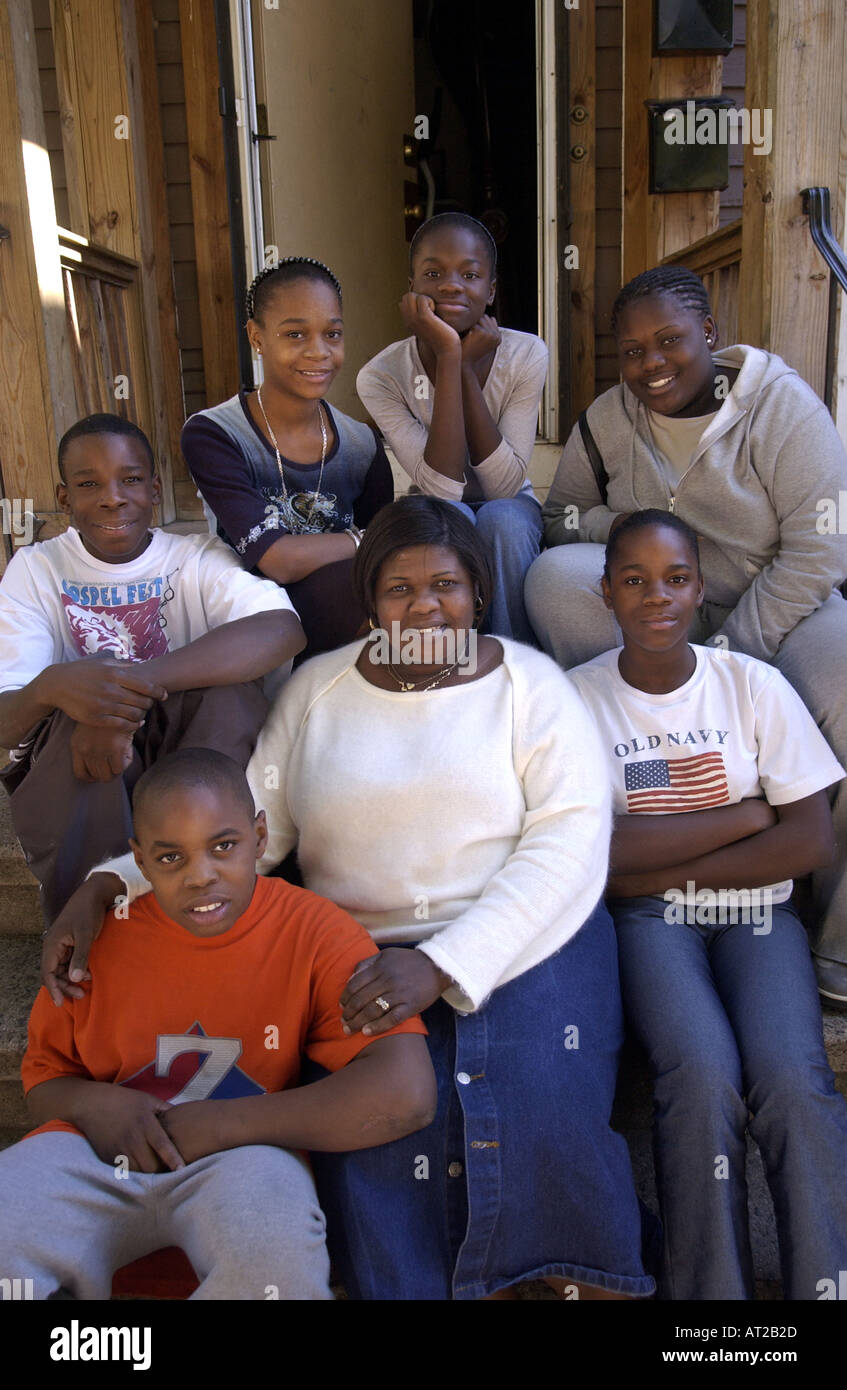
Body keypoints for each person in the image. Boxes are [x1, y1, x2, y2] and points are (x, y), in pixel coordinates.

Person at [46, 497, 654, 1303]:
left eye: (447, 584)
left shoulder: (530, 687)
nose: (426, 605)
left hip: (527, 940)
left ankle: (555, 1283)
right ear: (370, 601)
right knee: (377, 1141)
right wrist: (108, 883)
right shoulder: (316, 690)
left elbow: (569, 846)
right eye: (399, 588)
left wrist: (441, 964)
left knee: (543, 1105)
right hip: (356, 951)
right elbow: (249, 831)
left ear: (477, 591)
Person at [524, 265, 847, 1005]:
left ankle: (829, 932)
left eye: (669, 340)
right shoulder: (608, 418)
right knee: (554, 578)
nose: (650, 364)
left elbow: (821, 547)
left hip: (780, 605)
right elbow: (562, 519)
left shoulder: (779, 409)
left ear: (708, 333)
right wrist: (642, 538)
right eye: (631, 351)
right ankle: (632, 777)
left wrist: (730, 658)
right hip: (662, 602)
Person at [0, 749, 433, 1301]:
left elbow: (407, 1094)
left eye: (223, 847)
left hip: (246, 1155)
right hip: (90, 1149)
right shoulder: (97, 938)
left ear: (259, 835)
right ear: (139, 859)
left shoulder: (313, 930)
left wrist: (221, 1125)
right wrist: (94, 1105)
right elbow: (44, 1079)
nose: (201, 876)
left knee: (274, 1255)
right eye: (171, 858)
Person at [567, 509, 847, 1300]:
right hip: (650, 922)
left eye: (676, 578)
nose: (656, 596)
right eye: (633, 579)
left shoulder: (749, 685)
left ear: (699, 590)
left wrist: (649, 864)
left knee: (793, 1078)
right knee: (698, 1073)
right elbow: (587, 859)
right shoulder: (577, 702)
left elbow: (809, 845)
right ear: (606, 593)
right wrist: (745, 817)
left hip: (757, 917)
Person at [0, 413, 304, 925]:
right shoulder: (36, 568)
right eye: (88, 484)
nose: (112, 497)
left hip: (176, 748)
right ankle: (99, 924)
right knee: (71, 715)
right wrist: (60, 688)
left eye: (131, 479)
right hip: (82, 765)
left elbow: (281, 629)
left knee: (230, 698)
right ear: (64, 495)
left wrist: (118, 695)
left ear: (156, 489)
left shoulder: (194, 556)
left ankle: (203, 895)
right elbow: (7, 720)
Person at [180, 256, 393, 659]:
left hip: (344, 607)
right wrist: (363, 540)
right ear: (256, 338)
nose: (319, 352)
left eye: (332, 334)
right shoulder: (215, 434)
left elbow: (384, 555)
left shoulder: (362, 444)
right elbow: (275, 560)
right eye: (295, 334)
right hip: (250, 608)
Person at [356, 212, 548, 643]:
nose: (451, 284)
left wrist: (459, 371)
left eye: (471, 274)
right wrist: (450, 355)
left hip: (513, 505)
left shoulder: (526, 354)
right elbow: (443, 492)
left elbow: (502, 487)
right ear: (411, 288)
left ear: (491, 290)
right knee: (454, 517)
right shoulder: (380, 376)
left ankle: (512, 660)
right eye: (433, 273)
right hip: (434, 505)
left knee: (504, 521)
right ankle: (450, 660)